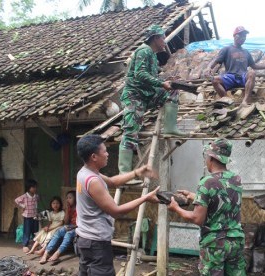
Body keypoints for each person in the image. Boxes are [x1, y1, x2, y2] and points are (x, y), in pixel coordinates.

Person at [75, 134, 160, 275]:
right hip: (96, 243)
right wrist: (145, 198)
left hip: (84, 239)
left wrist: (136, 172)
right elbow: (116, 211)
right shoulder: (93, 181)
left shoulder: (84, 172)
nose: (107, 154)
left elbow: (113, 181)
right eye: (104, 151)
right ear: (94, 157)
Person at [167, 138, 246, 275]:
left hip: (215, 245)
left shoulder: (207, 182)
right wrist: (194, 195)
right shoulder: (236, 179)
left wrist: (176, 208)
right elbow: (223, 199)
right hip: (236, 242)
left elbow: (197, 219)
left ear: (211, 158)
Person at [119, 24, 186, 179]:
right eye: (162, 37)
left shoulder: (152, 56)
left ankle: (170, 127)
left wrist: (165, 82)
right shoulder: (144, 51)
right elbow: (140, 74)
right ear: (155, 38)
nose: (164, 41)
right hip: (134, 96)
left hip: (146, 95)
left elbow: (152, 79)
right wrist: (161, 84)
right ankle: (124, 174)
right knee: (130, 132)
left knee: (172, 92)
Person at [208, 26, 265, 106]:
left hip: (243, 76)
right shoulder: (227, 49)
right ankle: (226, 100)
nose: (243, 38)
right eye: (241, 35)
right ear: (235, 36)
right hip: (230, 76)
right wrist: (209, 68)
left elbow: (255, 66)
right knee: (214, 80)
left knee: (251, 73)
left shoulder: (246, 52)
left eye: (244, 36)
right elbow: (216, 61)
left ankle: (245, 101)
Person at [39, 190, 77, 264]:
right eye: (67, 198)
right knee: (59, 231)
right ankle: (46, 253)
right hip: (70, 226)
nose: (68, 200)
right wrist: (67, 209)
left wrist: (71, 227)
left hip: (77, 227)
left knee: (68, 234)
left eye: (70, 198)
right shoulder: (69, 208)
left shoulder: (80, 208)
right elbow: (66, 222)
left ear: (76, 198)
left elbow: (81, 223)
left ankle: (57, 253)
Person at [15, 179, 39, 253]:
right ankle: (25, 245)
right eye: (33, 187)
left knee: (35, 231)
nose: (35, 189)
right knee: (27, 231)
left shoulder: (36, 196)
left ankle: (35, 245)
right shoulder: (24, 196)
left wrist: (37, 211)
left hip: (35, 216)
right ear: (29, 188)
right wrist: (23, 206)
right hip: (27, 217)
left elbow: (36, 204)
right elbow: (16, 200)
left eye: (35, 187)